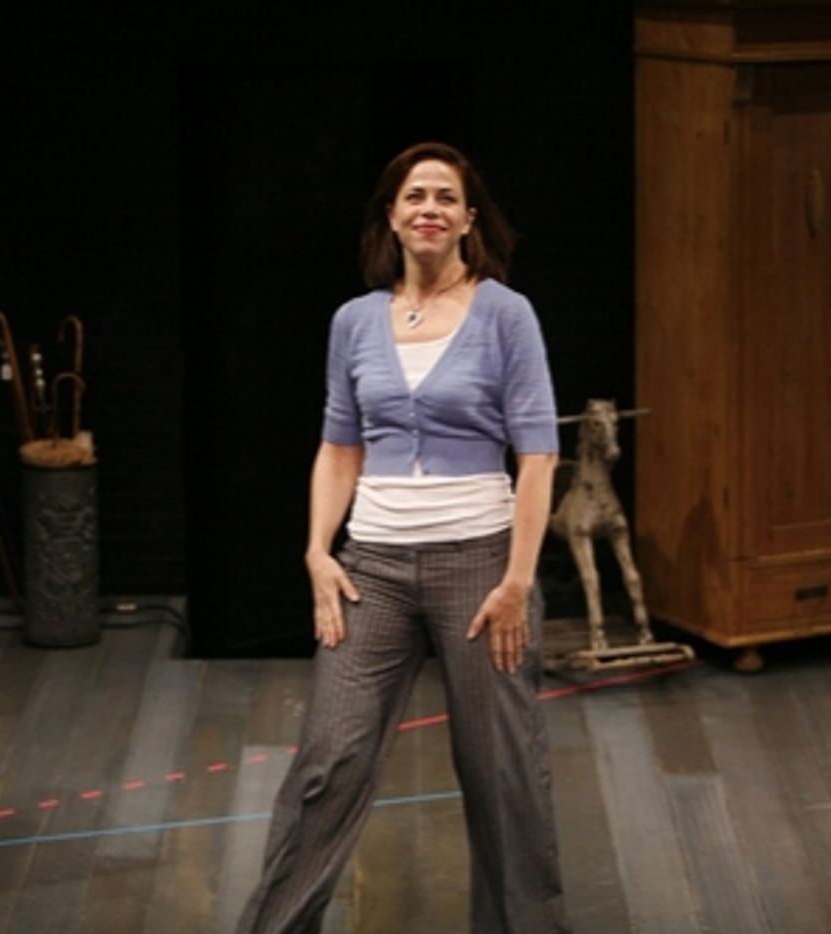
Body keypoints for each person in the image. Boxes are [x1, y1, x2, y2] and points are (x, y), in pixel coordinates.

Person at [237, 142, 571, 934]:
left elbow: (539, 455)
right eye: (415, 196)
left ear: (468, 219)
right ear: (391, 216)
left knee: (503, 777)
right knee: (329, 761)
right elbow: (339, 446)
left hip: (481, 568)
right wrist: (318, 552)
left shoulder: (505, 314)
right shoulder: (354, 321)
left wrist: (517, 581)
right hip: (373, 570)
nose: (429, 209)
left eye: (446, 197)